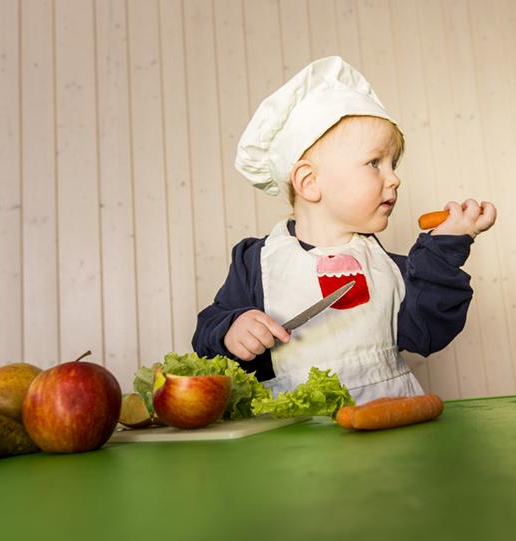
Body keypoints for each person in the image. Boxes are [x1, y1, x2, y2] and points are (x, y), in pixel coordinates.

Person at [192, 56, 496, 403]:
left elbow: (428, 333)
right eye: (374, 163)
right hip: (296, 438)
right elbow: (207, 334)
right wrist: (232, 328)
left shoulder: (392, 266)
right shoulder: (254, 262)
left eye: (392, 164)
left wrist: (445, 247)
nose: (394, 178)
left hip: (389, 426)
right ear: (309, 182)